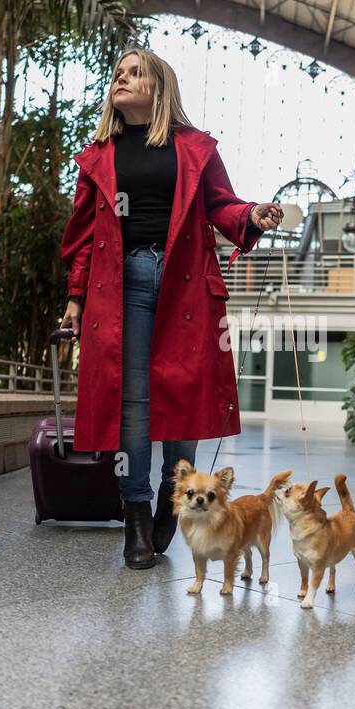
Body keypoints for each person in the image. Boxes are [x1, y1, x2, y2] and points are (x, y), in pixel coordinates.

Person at [58, 47, 283, 569]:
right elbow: (83, 236)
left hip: (185, 284)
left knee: (182, 396)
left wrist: (253, 213)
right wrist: (74, 298)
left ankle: (171, 494)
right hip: (122, 285)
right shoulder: (99, 155)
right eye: (118, 73)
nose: (123, 79)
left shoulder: (194, 148)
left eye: (136, 73)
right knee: (132, 404)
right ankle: (135, 516)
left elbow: (220, 206)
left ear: (160, 87)